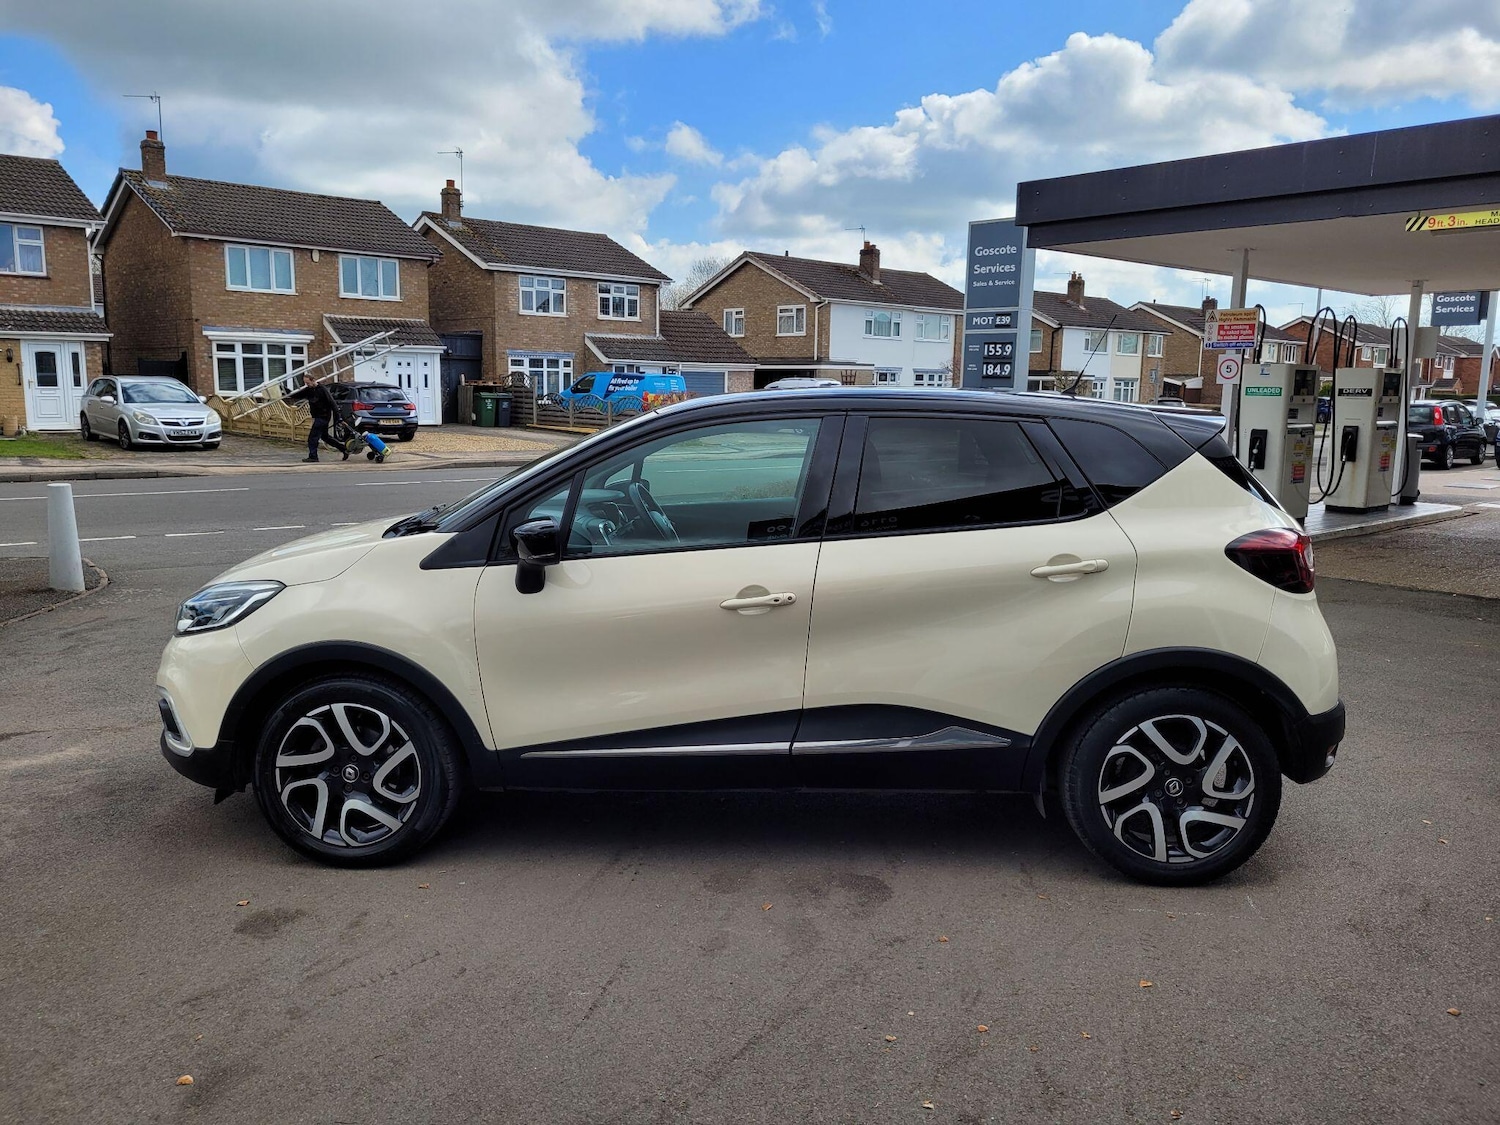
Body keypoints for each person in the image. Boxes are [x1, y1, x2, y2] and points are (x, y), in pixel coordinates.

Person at [285, 372, 349, 462]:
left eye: (308, 383)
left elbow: (332, 403)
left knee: (312, 437)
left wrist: (339, 418)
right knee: (325, 437)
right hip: (318, 416)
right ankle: (344, 449)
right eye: (305, 383)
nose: (307, 385)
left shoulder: (322, 389)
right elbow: (297, 395)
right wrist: (286, 391)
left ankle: (313, 456)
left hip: (323, 416)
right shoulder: (309, 390)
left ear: (313, 380)